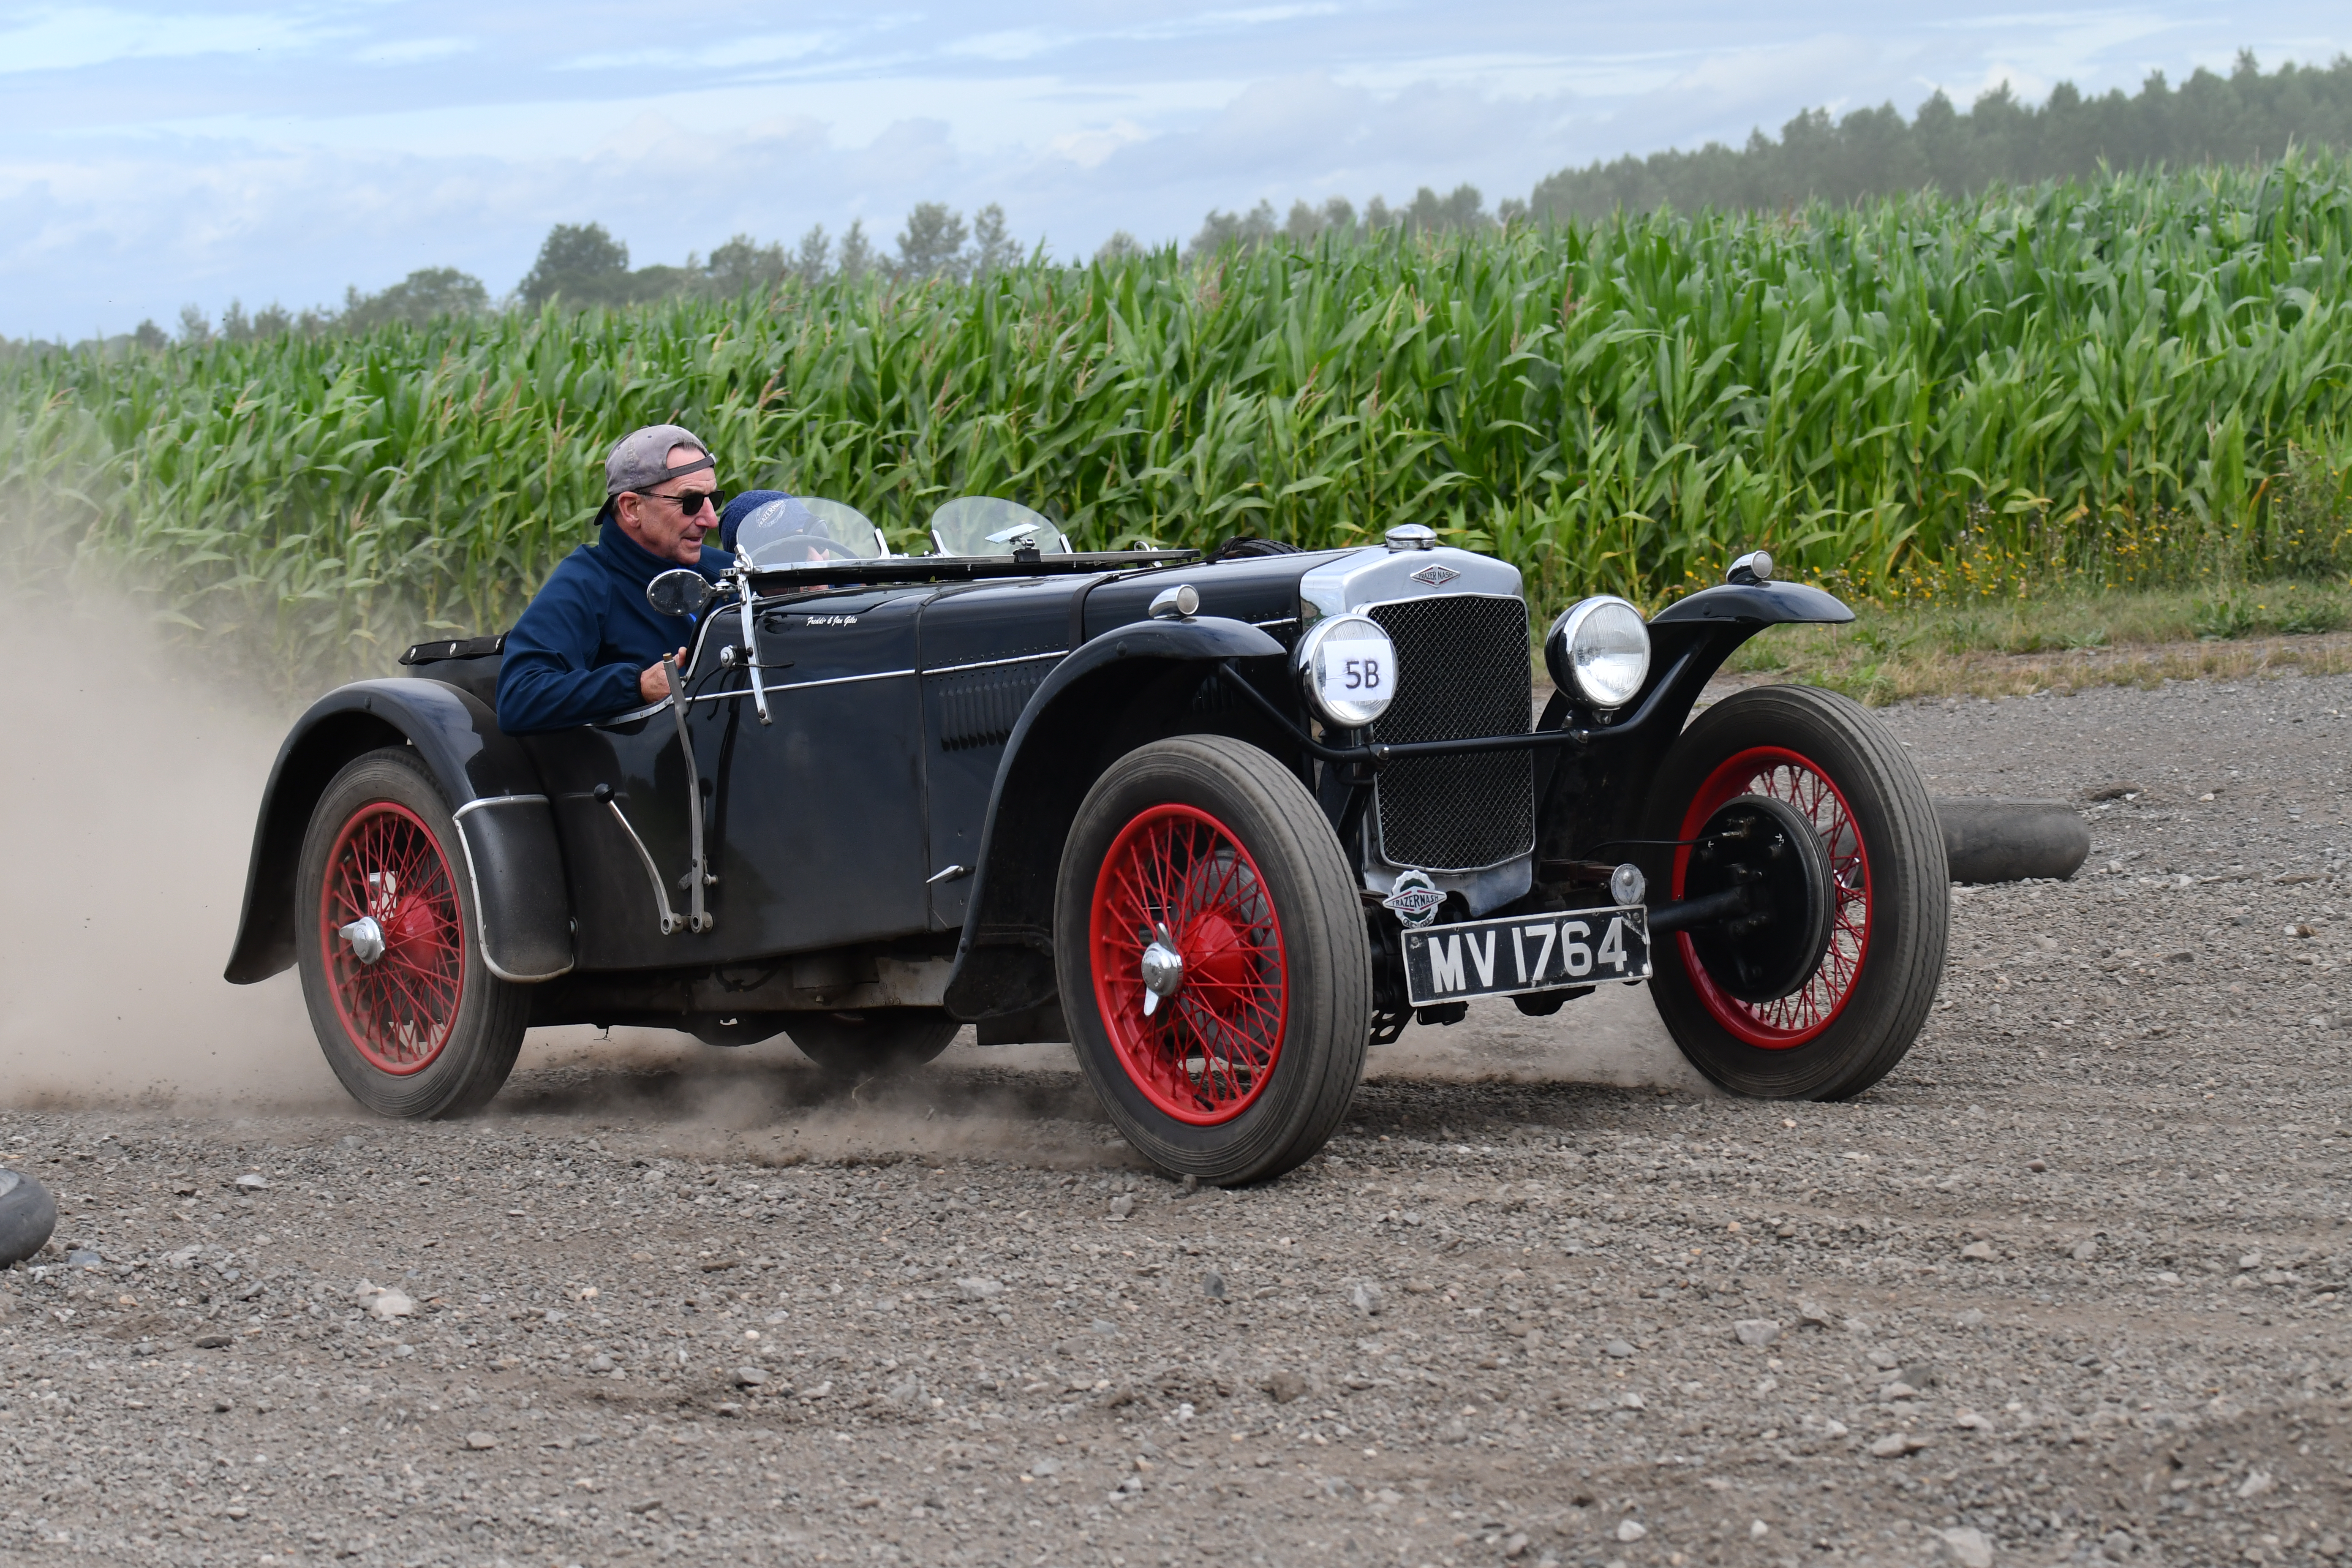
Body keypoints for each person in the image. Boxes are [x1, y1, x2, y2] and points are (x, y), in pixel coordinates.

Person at [494, 425, 732, 735]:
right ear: (632, 508)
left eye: (713, 499)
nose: (711, 520)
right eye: (689, 503)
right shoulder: (586, 583)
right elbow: (519, 696)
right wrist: (638, 686)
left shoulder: (724, 570)